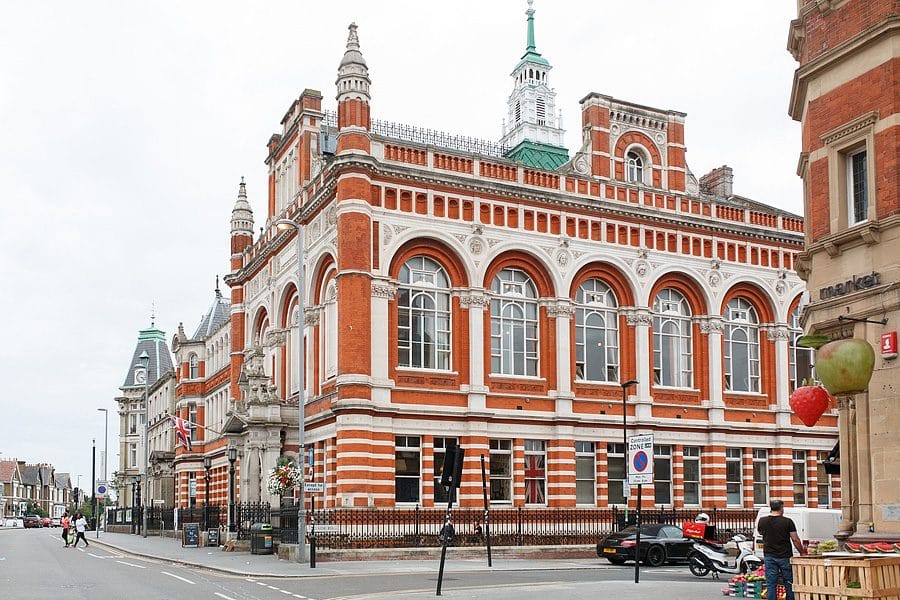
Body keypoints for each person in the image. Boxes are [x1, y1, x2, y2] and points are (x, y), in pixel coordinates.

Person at [758, 499, 805, 600]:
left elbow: (761, 533)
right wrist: (802, 552)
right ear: (781, 508)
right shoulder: (787, 522)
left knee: (771, 583)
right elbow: (795, 539)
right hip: (785, 556)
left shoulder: (762, 521)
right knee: (788, 582)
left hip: (769, 556)